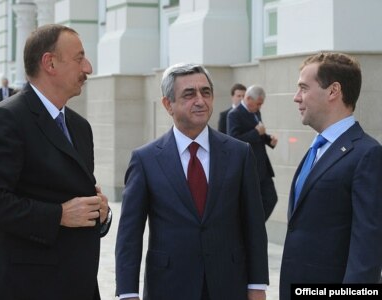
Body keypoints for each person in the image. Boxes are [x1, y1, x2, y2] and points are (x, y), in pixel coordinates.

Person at [115, 63, 269, 300]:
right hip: (168, 287)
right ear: (168, 104)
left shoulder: (240, 154)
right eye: (189, 94)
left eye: (205, 92)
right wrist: (127, 293)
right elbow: (129, 234)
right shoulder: (145, 160)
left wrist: (257, 285)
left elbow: (254, 226)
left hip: (228, 286)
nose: (200, 100)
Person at [0, 24, 112, 300]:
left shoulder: (80, 127)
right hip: (25, 286)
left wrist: (100, 211)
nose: (88, 68)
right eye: (79, 58)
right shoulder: (8, 118)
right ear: (49, 63)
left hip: (77, 283)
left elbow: (73, 195)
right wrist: (59, 215)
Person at [279, 52, 382, 300]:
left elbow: (367, 251)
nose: (296, 98)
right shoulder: (317, 149)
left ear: (333, 91)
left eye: (304, 88)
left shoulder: (367, 155)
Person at [227, 85, 278, 221]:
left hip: (263, 167)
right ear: (248, 98)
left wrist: (268, 140)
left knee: (271, 198)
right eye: (258, 104)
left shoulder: (256, 112)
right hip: (248, 167)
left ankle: (256, 226)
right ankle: (251, 228)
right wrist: (256, 132)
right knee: (252, 203)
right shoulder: (234, 115)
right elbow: (234, 141)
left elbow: (259, 133)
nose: (259, 107)